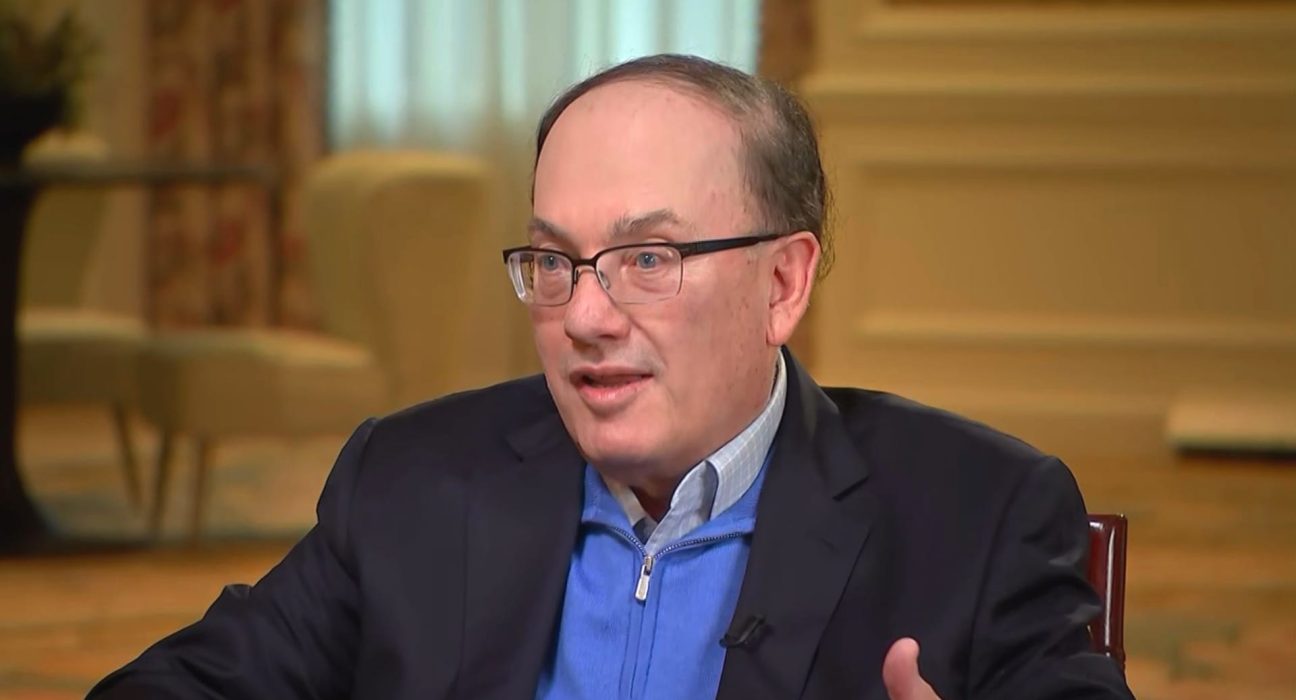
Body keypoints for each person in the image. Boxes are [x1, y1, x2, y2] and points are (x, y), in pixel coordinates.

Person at [90, 54, 1135, 700]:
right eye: (554, 261)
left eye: (648, 259)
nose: (585, 316)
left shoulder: (976, 513)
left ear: (783, 282)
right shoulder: (409, 479)